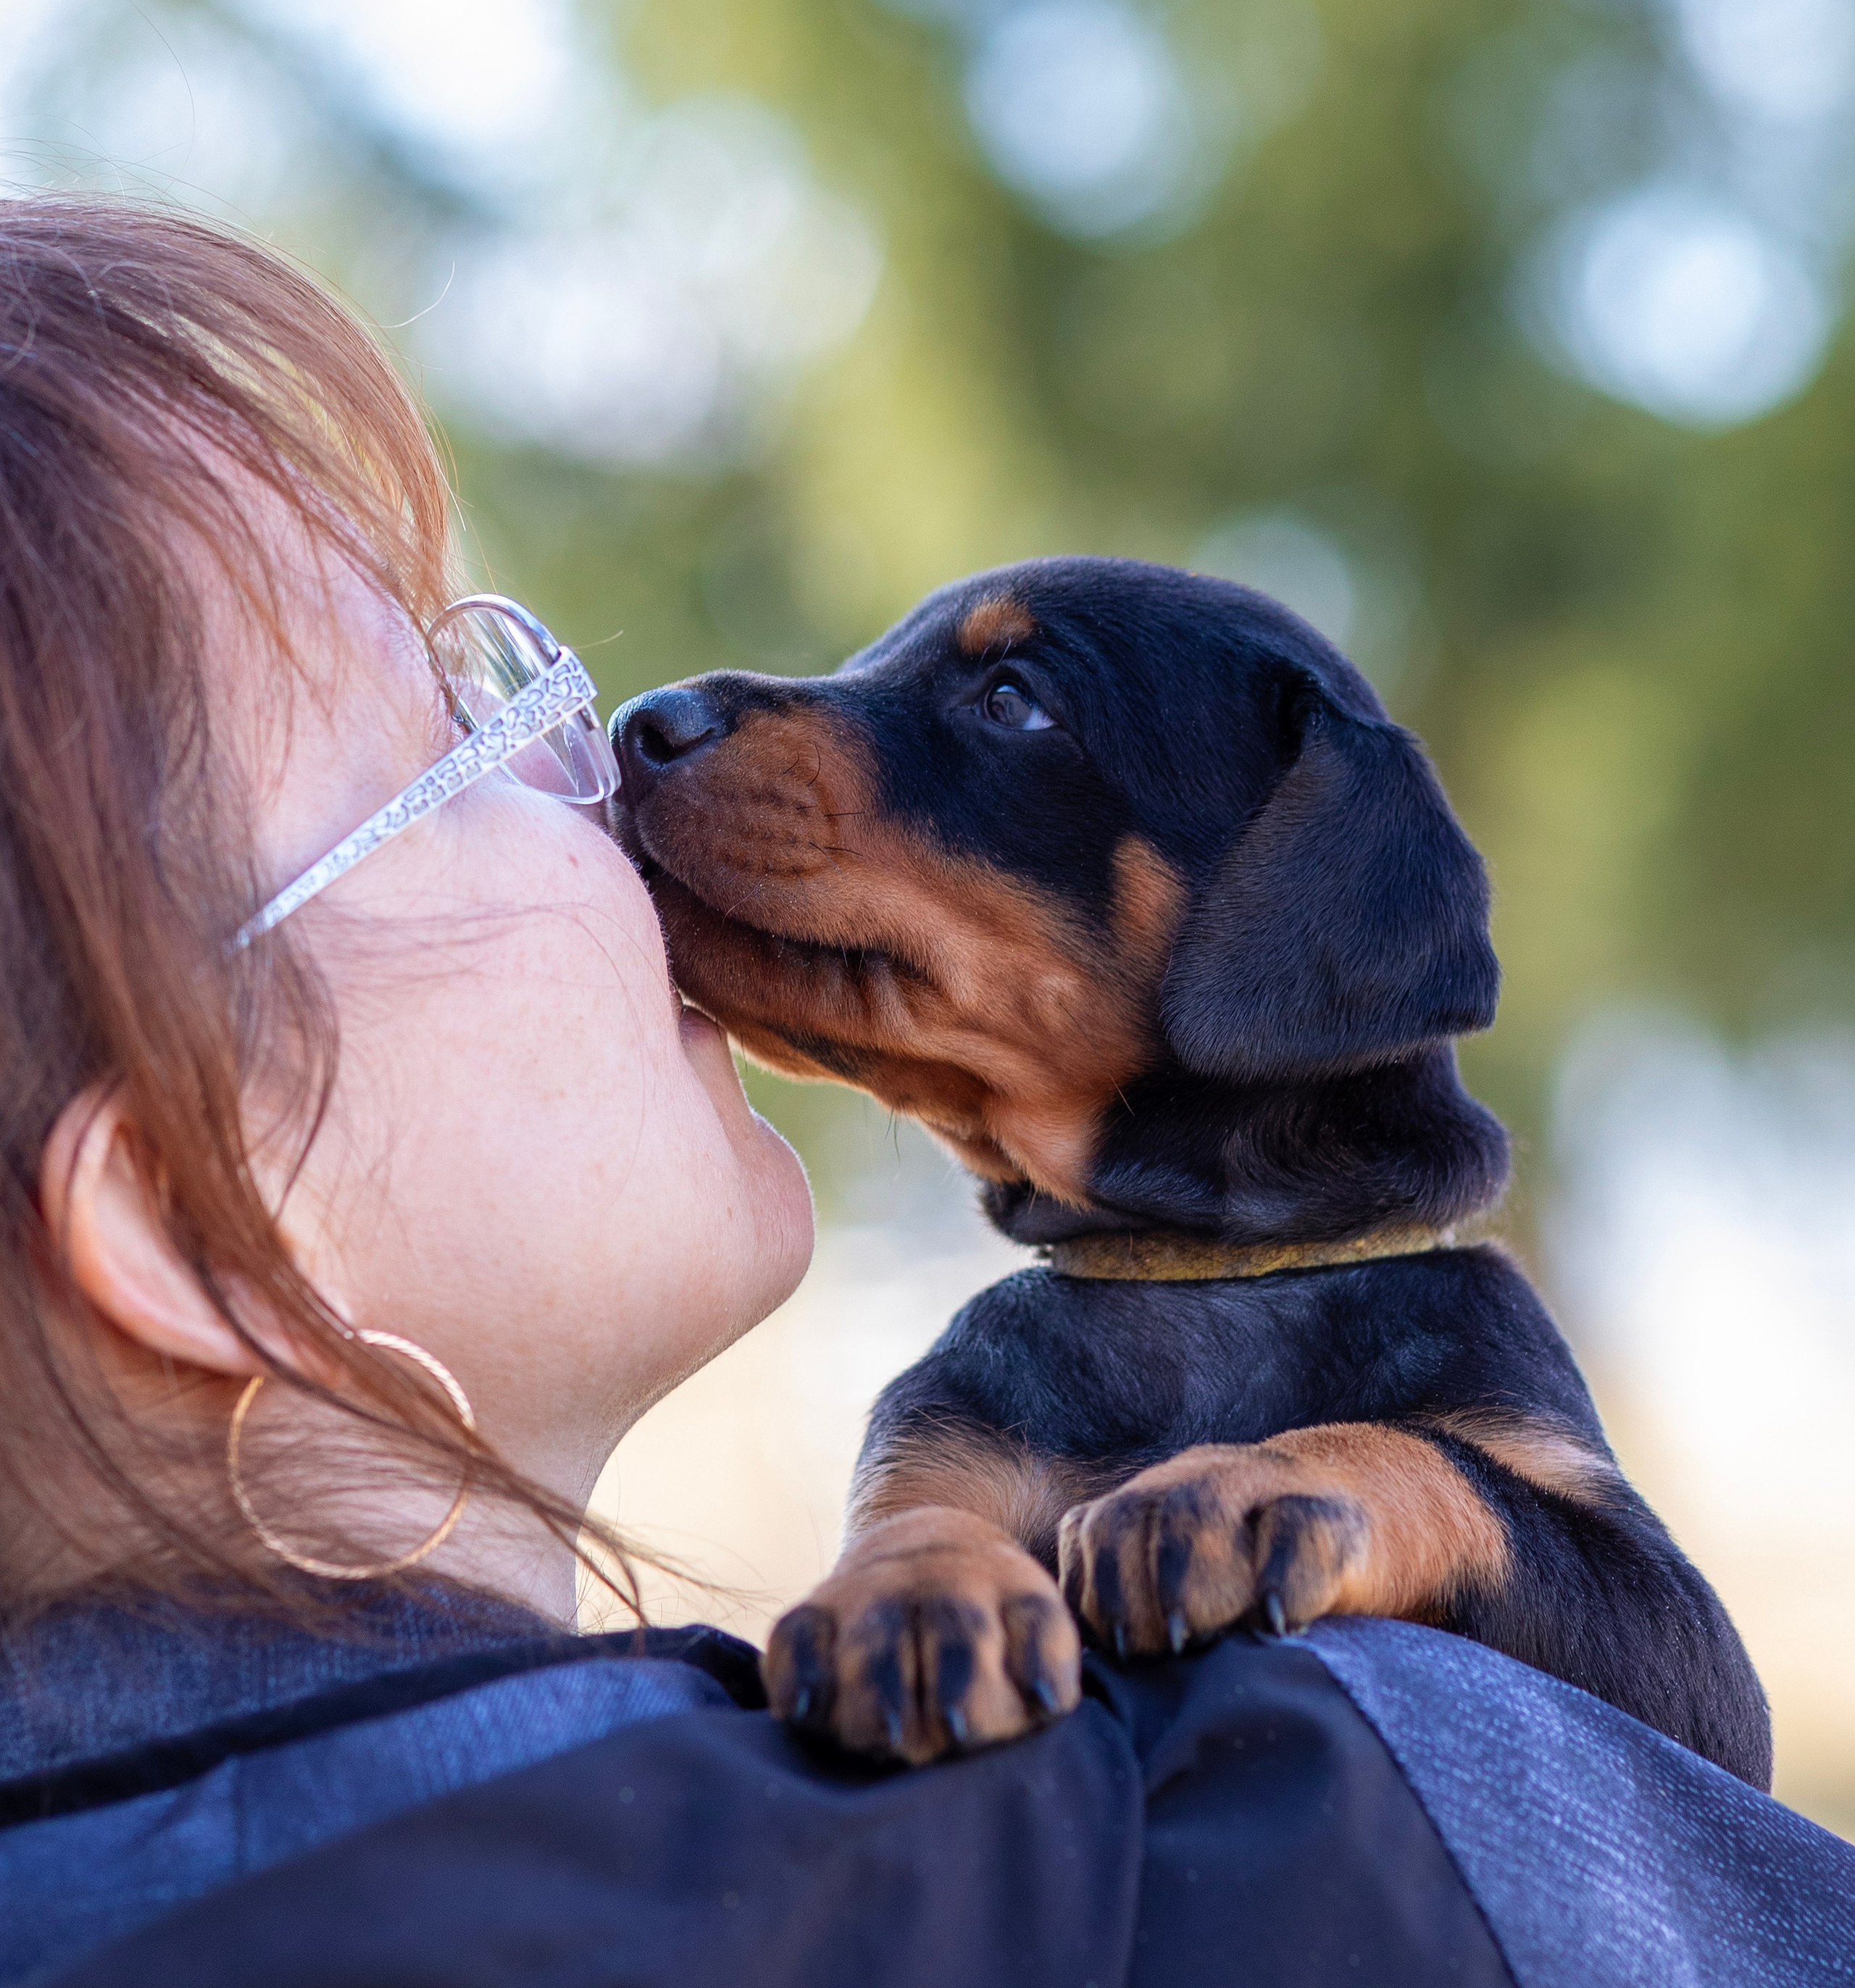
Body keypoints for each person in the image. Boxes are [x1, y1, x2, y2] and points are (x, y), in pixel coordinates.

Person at [0, 199, 1847, 1988]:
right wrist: (926, 1556)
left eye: (1003, 706)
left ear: (1301, 921)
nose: (620, 740)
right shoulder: (1331, 1825)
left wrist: (1399, 1496)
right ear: (188, 1198)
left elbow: (1674, 1679)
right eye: (445, 742)